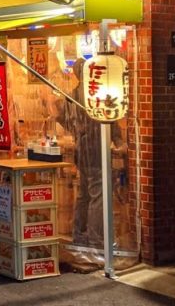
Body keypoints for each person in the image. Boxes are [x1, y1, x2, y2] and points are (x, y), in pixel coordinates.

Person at [51, 59, 124, 248]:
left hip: (81, 151)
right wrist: (118, 141)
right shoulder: (96, 94)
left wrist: (77, 131)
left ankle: (79, 234)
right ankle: (96, 239)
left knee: (84, 194)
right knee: (98, 193)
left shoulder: (73, 95)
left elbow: (60, 117)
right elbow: (110, 118)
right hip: (96, 150)